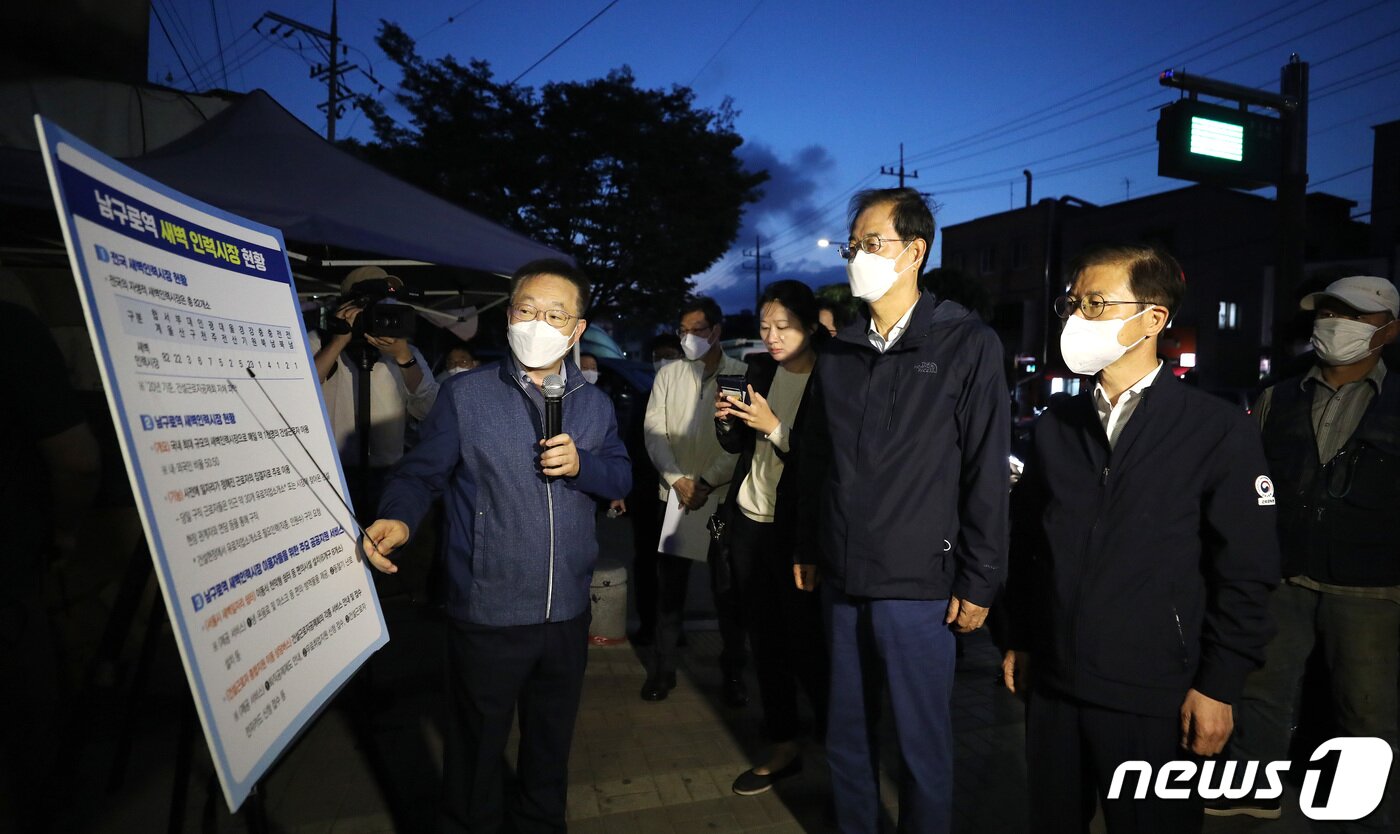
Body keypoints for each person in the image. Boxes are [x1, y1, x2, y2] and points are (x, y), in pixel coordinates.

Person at [1000, 244, 1279, 833]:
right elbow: (1027, 547)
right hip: (1054, 686)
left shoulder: (1215, 429)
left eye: (1096, 303)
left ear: (1153, 319)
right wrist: (1021, 638)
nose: (1076, 317)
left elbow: (1246, 571)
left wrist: (1219, 685)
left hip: (1154, 695)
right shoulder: (1057, 425)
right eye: (1073, 303)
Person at [361, 259, 631, 834]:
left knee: (549, 751)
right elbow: (419, 474)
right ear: (509, 317)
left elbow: (620, 476)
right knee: (475, 755)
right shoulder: (466, 395)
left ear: (577, 329)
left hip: (566, 614)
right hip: (488, 613)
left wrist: (583, 465)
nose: (538, 324)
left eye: (555, 315)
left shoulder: (596, 404)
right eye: (526, 310)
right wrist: (398, 518)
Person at [799, 187, 1009, 832]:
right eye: (852, 246)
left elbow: (985, 469)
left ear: (914, 252)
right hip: (842, 576)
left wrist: (980, 577)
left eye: (872, 243)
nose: (856, 256)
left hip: (919, 584)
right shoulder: (839, 349)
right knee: (846, 736)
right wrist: (808, 544)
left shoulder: (966, 343)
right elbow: (814, 457)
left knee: (922, 744)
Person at [1208, 275, 1400, 827]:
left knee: (1366, 707)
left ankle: (1368, 811)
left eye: (1355, 316)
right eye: (1329, 313)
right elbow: (1250, 484)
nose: (1336, 325)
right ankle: (1252, 788)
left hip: (1371, 584)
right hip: (1284, 571)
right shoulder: (1278, 395)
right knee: (1262, 688)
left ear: (1389, 331)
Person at [712, 280, 829, 796]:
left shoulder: (831, 379)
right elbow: (738, 445)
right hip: (748, 522)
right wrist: (727, 422)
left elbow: (827, 464)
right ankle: (783, 744)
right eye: (764, 326)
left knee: (810, 645)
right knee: (765, 641)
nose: (771, 336)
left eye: (783, 326)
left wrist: (776, 427)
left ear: (811, 328)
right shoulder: (759, 371)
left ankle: (836, 749)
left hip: (796, 532)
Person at [641, 297, 749, 704]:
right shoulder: (668, 375)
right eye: (682, 331)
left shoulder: (741, 375)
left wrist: (705, 481)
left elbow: (742, 442)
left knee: (728, 594)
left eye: (697, 330)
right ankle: (663, 670)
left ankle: (733, 674)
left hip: (719, 500)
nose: (688, 338)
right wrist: (678, 480)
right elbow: (654, 432)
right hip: (675, 498)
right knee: (669, 592)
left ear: (716, 331)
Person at [311, 266, 438, 502]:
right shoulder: (321, 342)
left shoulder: (405, 350)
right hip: (335, 467)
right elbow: (302, 391)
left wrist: (403, 357)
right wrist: (338, 342)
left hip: (388, 470)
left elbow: (428, 409)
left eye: (387, 301)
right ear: (347, 306)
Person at [630, 333, 684, 647]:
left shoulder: (692, 399)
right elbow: (632, 446)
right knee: (646, 562)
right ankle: (648, 624)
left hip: (680, 495)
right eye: (658, 356)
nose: (664, 362)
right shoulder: (643, 397)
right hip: (647, 494)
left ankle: (673, 627)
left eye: (670, 356)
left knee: (676, 565)